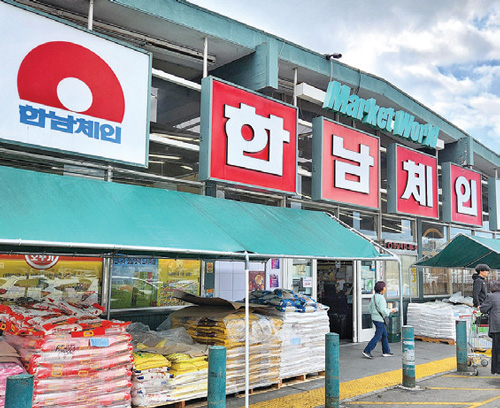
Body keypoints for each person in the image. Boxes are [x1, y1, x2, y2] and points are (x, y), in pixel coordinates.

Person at [362, 281, 397, 359]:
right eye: (384, 287)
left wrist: (374, 313)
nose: (385, 289)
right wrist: (391, 310)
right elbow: (383, 311)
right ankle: (367, 351)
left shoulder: (374, 297)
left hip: (374, 318)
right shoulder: (381, 298)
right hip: (380, 319)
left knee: (384, 335)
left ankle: (386, 351)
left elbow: (369, 308)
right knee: (378, 336)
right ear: (382, 289)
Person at [479, 280, 500, 374]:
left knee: (497, 349)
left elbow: (483, 309)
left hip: (497, 327)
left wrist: (480, 307)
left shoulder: (491, 296)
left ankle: (497, 369)